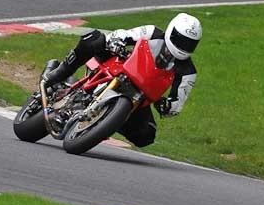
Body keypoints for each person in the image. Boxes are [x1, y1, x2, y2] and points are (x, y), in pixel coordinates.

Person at [42, 12, 202, 148]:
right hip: (122, 66)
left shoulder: (188, 72)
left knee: (147, 135)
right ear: (171, 31)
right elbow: (125, 34)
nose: (183, 46)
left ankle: (105, 122)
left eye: (189, 44)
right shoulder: (153, 32)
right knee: (94, 39)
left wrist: (167, 106)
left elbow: (177, 103)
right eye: (180, 40)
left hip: (141, 94)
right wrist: (117, 41)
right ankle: (59, 73)